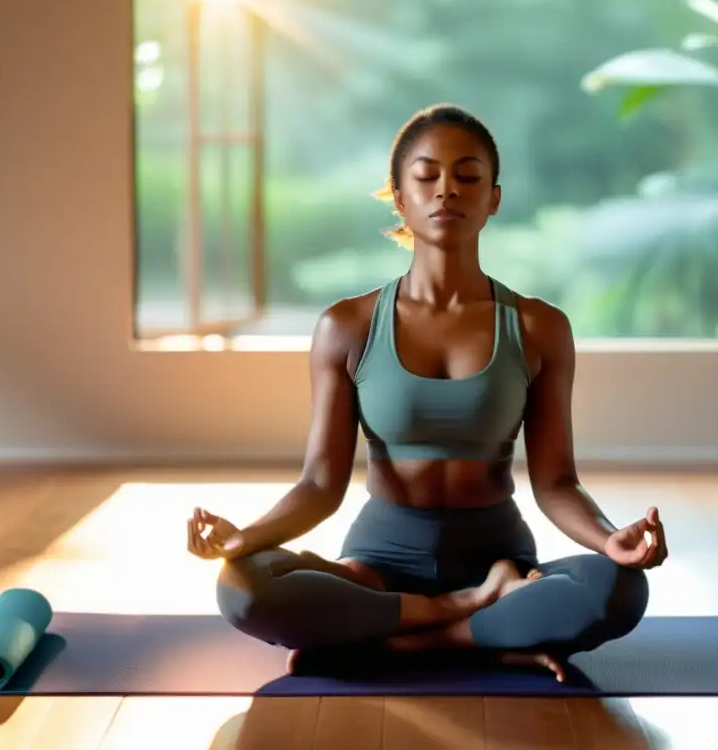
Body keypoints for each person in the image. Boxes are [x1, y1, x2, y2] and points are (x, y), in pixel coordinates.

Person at [186, 104, 668, 682]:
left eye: (467, 177)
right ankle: (468, 620)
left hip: (497, 560)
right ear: (399, 197)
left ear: (493, 197)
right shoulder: (347, 327)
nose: (447, 191)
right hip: (377, 566)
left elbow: (557, 483)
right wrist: (246, 535)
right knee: (241, 586)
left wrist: (610, 539)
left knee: (618, 589)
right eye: (426, 176)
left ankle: (400, 641)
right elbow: (319, 483)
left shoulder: (541, 328)